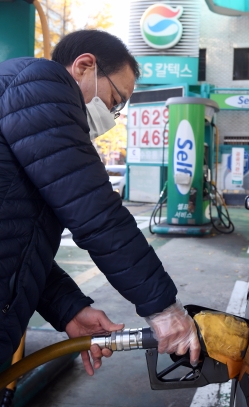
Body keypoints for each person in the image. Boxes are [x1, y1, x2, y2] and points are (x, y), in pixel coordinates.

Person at [0, 30, 200, 375]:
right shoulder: (41, 83)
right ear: (84, 66)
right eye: (115, 100)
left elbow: (17, 241)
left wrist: (69, 308)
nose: (112, 114)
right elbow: (96, 215)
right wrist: (163, 309)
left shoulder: (28, 106)